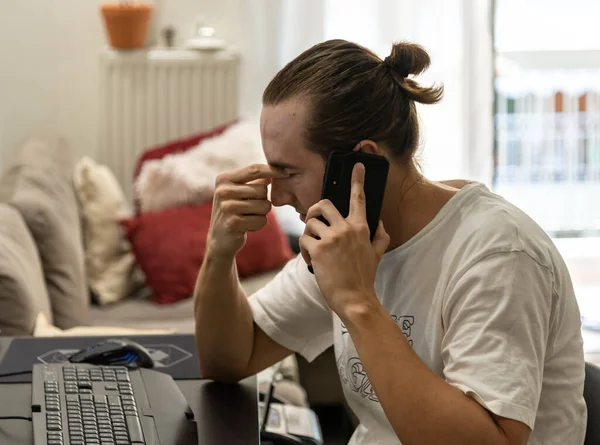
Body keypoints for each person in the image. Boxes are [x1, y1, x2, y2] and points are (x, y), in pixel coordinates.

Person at [194, 39, 587, 445]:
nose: (276, 196)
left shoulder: (499, 254)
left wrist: (357, 302)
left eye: (289, 173)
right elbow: (230, 358)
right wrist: (220, 251)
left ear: (360, 162)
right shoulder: (349, 236)